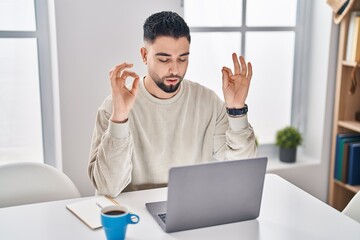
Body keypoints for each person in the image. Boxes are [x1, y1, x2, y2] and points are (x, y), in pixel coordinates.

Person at [88, 11, 256, 197]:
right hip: (134, 218)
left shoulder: (208, 102)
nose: (175, 69)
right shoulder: (113, 107)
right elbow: (108, 188)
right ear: (144, 55)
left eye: (182, 59)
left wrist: (237, 109)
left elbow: (241, 169)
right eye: (164, 59)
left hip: (188, 212)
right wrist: (119, 118)